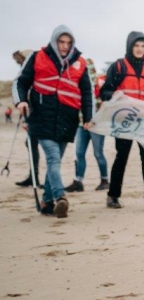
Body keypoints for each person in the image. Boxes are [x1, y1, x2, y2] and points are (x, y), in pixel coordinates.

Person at [12, 26, 94, 218]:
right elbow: (20, 82)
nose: (64, 46)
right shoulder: (37, 57)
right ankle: (60, 197)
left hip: (68, 119)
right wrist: (21, 100)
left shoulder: (80, 63)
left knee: (54, 163)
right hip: (41, 118)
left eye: (68, 43)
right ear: (54, 41)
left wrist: (88, 117)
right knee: (53, 158)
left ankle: (46, 202)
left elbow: (87, 92)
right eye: (61, 42)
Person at [100, 32, 144, 211]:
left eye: (143, 46)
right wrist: (115, 95)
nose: (139, 49)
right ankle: (113, 196)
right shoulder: (119, 66)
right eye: (136, 45)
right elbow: (104, 92)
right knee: (121, 158)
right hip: (125, 121)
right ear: (130, 46)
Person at [64, 58, 109, 192]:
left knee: (98, 153)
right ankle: (78, 181)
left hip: (97, 125)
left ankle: (105, 180)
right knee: (79, 153)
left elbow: (106, 104)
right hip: (81, 123)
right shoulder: (77, 85)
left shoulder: (100, 86)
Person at [12, 49, 41, 187]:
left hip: (38, 113)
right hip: (31, 113)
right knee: (31, 143)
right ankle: (33, 176)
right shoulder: (29, 72)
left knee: (34, 143)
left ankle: (35, 177)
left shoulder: (34, 70)